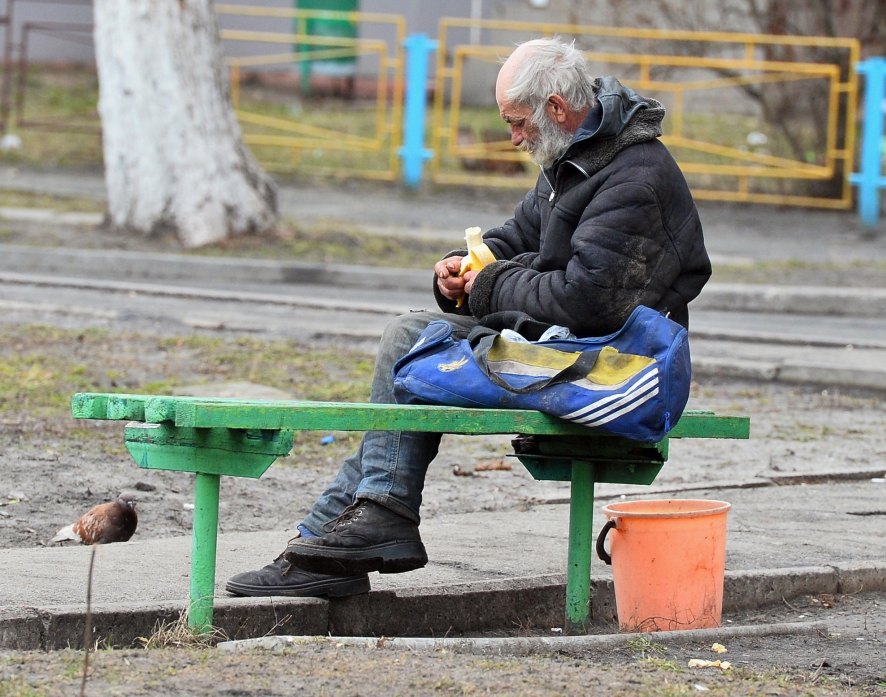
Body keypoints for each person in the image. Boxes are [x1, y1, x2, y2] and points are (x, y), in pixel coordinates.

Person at [225, 36, 711, 598]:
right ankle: (329, 544)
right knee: (411, 354)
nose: (513, 136)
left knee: (411, 341)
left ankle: (370, 520)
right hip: (569, 348)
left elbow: (587, 301)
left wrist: (490, 282)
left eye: (517, 121)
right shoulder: (578, 155)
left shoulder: (634, 179)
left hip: (614, 368)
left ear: (555, 108)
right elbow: (522, 235)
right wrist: (463, 269)